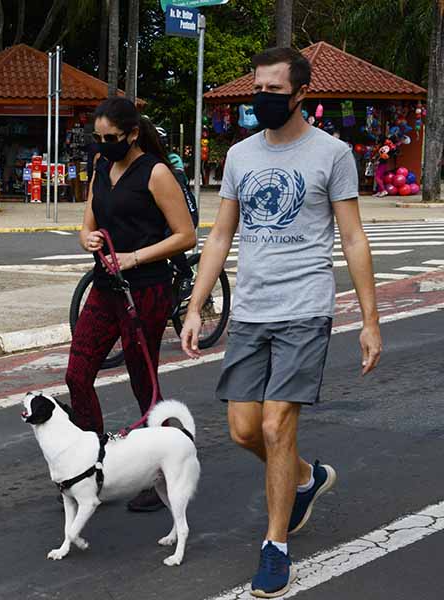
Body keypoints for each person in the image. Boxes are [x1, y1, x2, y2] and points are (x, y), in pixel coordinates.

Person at [180, 48, 381, 598]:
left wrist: (369, 318)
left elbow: (354, 237)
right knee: (245, 429)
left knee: (275, 427)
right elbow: (220, 236)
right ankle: (304, 477)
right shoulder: (241, 156)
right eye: (257, 89)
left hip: (305, 308)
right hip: (251, 309)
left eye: (272, 90)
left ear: (298, 95)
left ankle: (275, 547)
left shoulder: (332, 154)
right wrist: (198, 306)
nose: (261, 99)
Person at [66, 97, 197, 512]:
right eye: (98, 138)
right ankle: (91, 463)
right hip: (106, 287)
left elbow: (186, 235)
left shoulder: (156, 173)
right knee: (77, 373)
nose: (103, 145)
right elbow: (89, 219)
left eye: (111, 138)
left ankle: (163, 464)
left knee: (144, 381)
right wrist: (85, 237)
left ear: (133, 134)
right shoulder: (101, 168)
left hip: (146, 290)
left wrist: (135, 257)